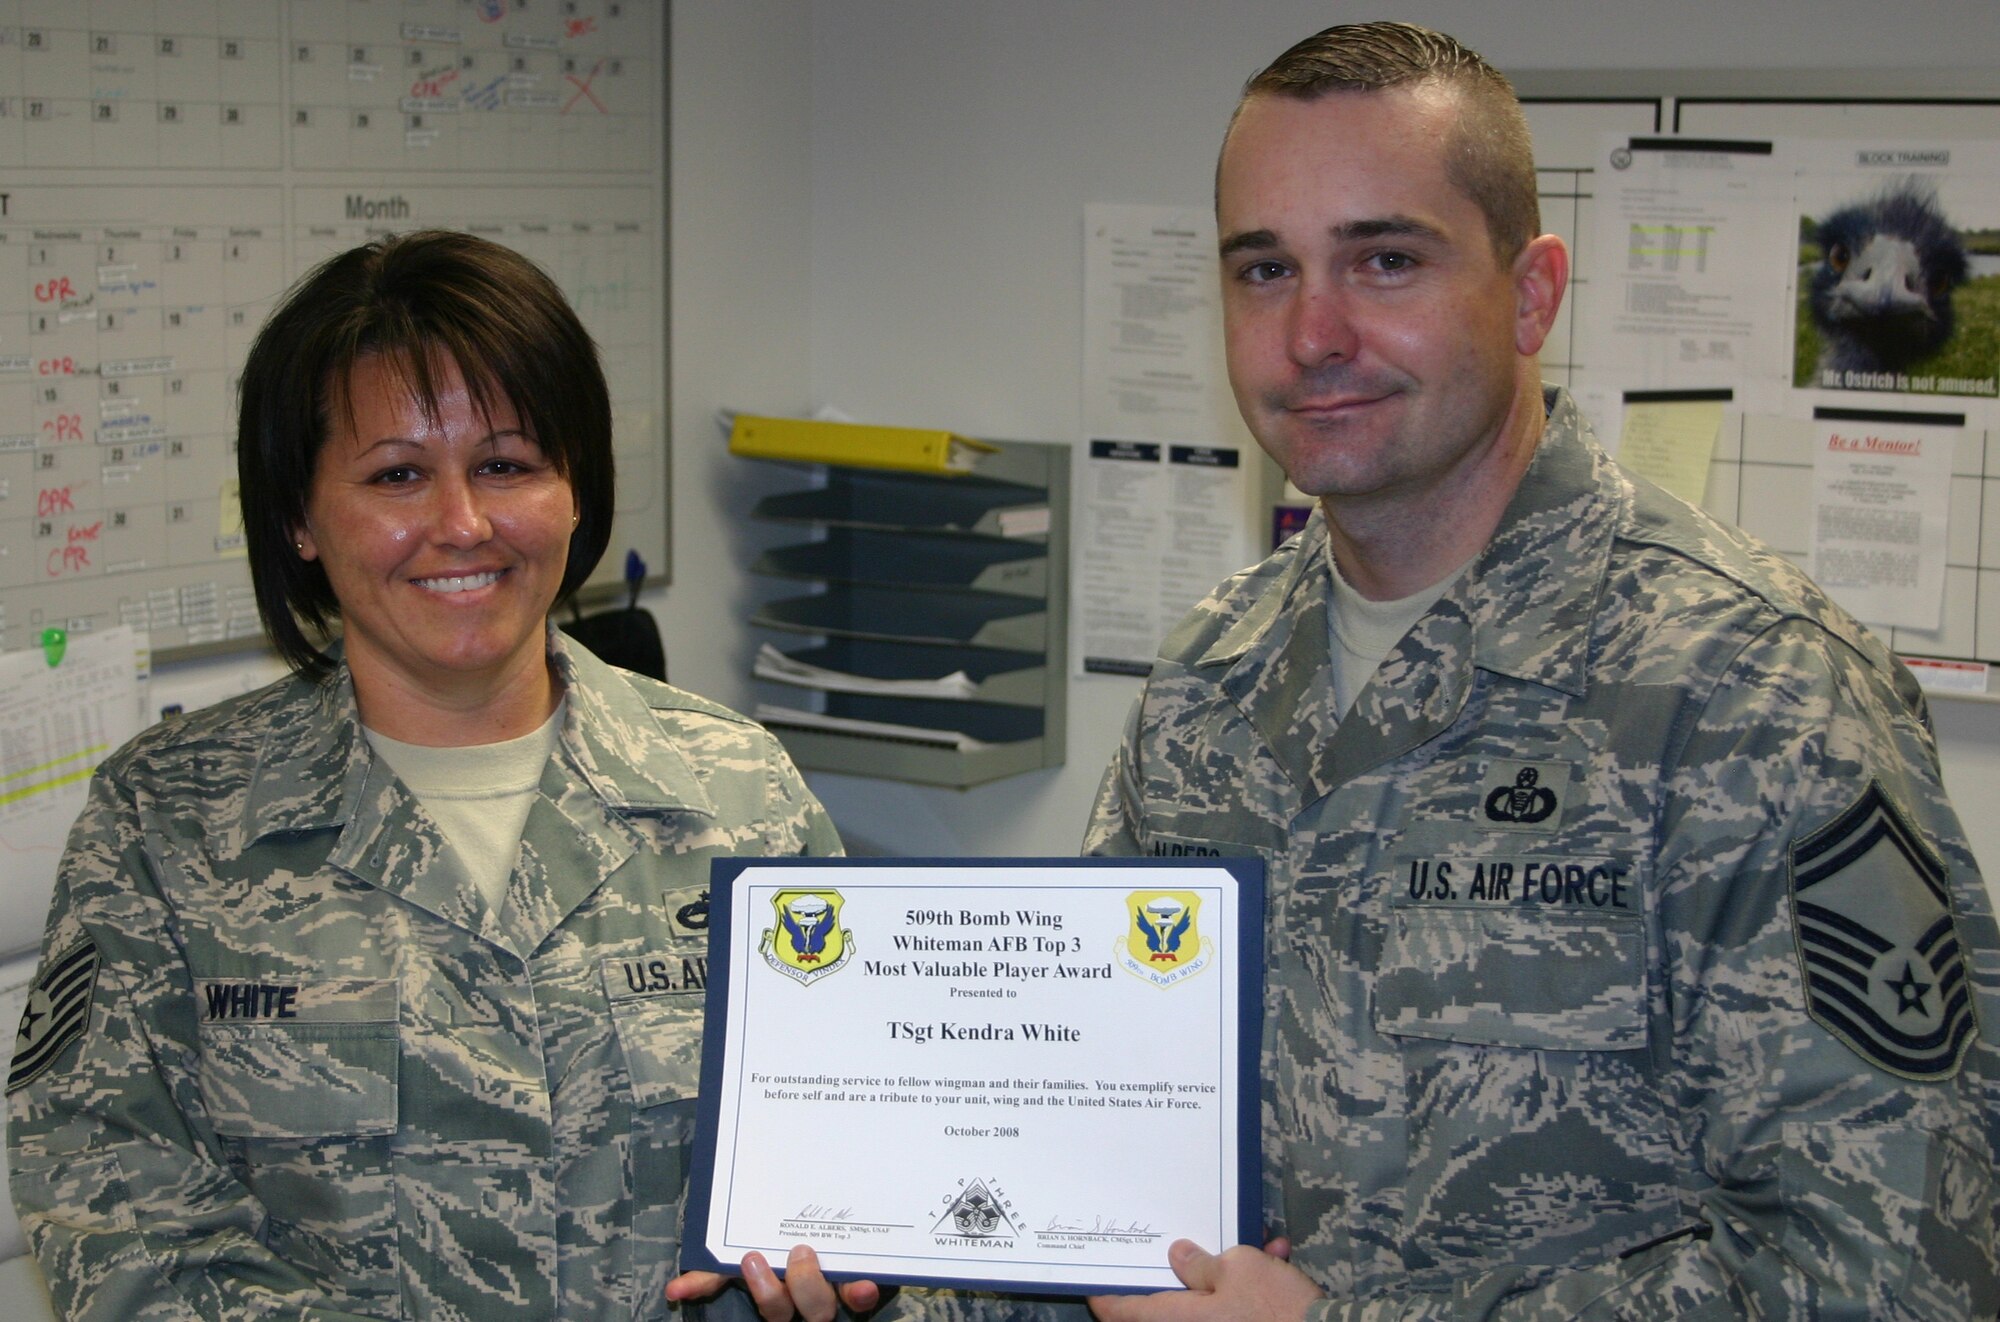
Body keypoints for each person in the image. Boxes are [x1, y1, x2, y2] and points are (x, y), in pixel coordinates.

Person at [1085, 22, 2000, 1321]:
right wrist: (884, 1234)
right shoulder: (1206, 682)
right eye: (1263, 270)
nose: (1312, 332)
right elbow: (1088, 1128)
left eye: (1384, 259)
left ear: (1531, 294)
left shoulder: (1760, 699)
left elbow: (1896, 1281)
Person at [6, 230, 874, 1320]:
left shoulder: (736, 790)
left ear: (573, 493)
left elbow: (863, 1157)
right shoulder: (173, 823)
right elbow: (120, 1220)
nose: (461, 523)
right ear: (299, 517)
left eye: (507, 464)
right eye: (398, 474)